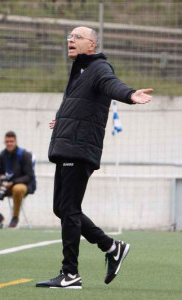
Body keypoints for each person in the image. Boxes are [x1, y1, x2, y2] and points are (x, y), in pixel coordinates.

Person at [36, 26, 153, 289]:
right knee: (62, 209)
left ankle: (70, 273)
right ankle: (111, 247)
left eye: (77, 37)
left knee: (69, 209)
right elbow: (80, 103)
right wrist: (62, 118)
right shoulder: (80, 70)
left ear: (92, 45)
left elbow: (112, 85)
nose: (70, 40)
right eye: (69, 37)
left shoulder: (99, 68)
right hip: (68, 146)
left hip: (78, 149)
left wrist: (130, 95)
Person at [0, 131, 36, 228]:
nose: (9, 143)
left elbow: (29, 176)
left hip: (22, 185)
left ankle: (15, 218)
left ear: (15, 142)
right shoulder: (2, 155)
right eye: (7, 141)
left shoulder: (24, 155)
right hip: (6, 185)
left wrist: (13, 182)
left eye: (11, 141)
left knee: (17, 189)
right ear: (4, 142)